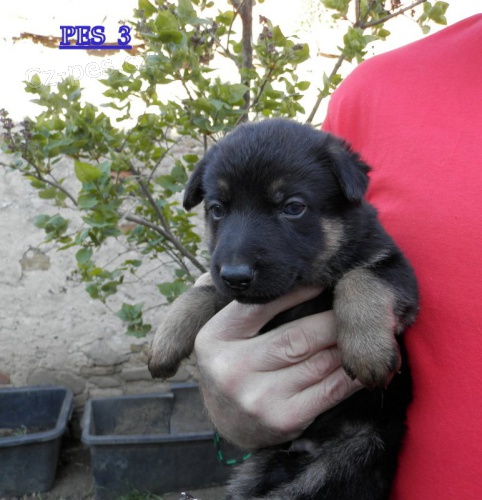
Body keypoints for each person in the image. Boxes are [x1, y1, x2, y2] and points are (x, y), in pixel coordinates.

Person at [194, 14, 482, 499]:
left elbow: (378, 265)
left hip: (369, 449)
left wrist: (363, 306)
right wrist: (229, 403)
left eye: (290, 207)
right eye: (218, 209)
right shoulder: (372, 93)